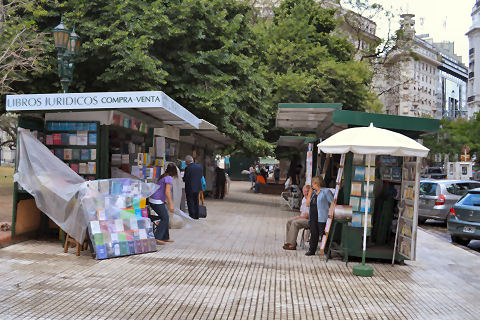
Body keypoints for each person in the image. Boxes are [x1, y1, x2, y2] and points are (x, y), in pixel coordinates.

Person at [149, 163, 177, 245]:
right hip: (156, 201)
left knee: (165, 217)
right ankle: (157, 237)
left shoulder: (164, 176)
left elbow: (160, 190)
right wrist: (171, 204)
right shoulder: (169, 178)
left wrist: (163, 200)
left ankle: (165, 237)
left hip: (154, 199)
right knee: (165, 218)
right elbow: (167, 192)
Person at [306, 176, 333, 256]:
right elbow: (308, 204)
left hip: (322, 216)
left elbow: (332, 202)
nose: (312, 186)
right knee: (313, 233)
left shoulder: (326, 191)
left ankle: (327, 251)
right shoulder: (314, 193)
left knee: (323, 234)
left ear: (316, 183)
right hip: (313, 216)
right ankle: (312, 250)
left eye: (312, 184)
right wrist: (310, 193)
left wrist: (330, 213)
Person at [283, 185, 311, 250]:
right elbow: (301, 211)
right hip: (303, 217)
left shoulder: (310, 200)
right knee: (289, 221)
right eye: (304, 191)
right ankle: (290, 241)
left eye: (307, 191)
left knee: (295, 223)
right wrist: (299, 216)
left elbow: (308, 215)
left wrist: (300, 218)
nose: (306, 193)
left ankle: (292, 245)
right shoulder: (304, 199)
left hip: (308, 219)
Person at [184, 155, 203, 219]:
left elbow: (185, 178)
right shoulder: (199, 167)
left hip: (190, 187)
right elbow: (200, 176)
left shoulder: (188, 168)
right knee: (196, 201)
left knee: (190, 201)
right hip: (197, 187)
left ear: (187, 162)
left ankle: (192, 215)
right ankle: (197, 215)